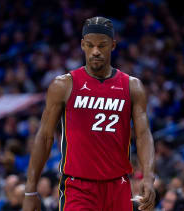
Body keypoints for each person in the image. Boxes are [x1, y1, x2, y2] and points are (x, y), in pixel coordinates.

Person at [23, 16, 155, 211]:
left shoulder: (132, 86)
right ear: (83, 45)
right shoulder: (64, 85)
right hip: (78, 187)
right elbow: (44, 136)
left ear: (113, 45)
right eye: (91, 45)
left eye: (102, 45)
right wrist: (30, 190)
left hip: (118, 185)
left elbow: (144, 135)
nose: (96, 51)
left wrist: (149, 177)